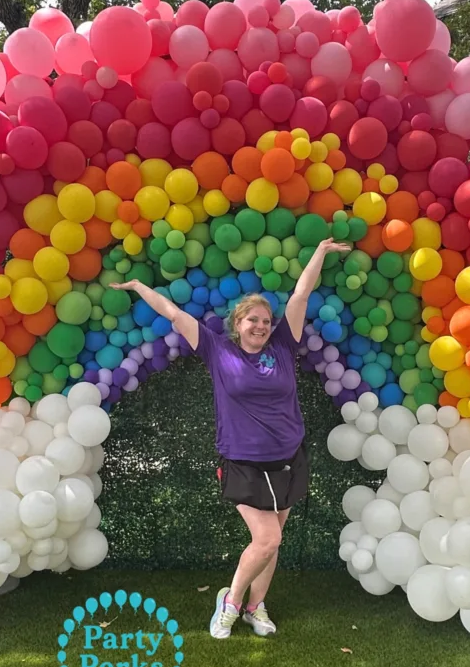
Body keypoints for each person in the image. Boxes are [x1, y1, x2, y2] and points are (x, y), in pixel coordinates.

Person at [110, 237, 350, 639]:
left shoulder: (283, 346)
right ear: (237, 324)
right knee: (268, 537)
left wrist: (320, 251)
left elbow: (301, 293)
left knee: (272, 542)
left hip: (289, 456)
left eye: (264, 320)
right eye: (251, 319)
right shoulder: (216, 349)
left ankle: (256, 608)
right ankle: (232, 601)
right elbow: (172, 312)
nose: (260, 326)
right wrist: (138, 288)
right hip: (243, 460)